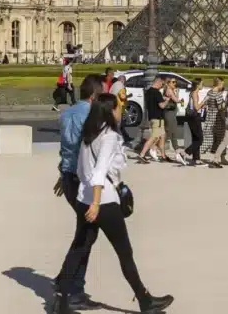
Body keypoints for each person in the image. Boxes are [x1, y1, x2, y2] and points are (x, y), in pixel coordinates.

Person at [54, 93, 174, 314]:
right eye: (120, 107)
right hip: (104, 202)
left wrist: (88, 197)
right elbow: (99, 172)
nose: (122, 110)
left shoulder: (88, 134)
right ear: (110, 111)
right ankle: (145, 301)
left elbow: (82, 170)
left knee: (79, 248)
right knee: (124, 253)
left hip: (84, 198)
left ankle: (60, 302)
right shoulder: (108, 136)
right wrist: (97, 202)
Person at [53, 74, 104, 309]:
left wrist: (63, 175)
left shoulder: (66, 114)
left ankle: (64, 280)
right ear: (94, 95)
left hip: (69, 176)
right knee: (87, 232)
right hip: (82, 179)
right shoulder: (92, 116)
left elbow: (67, 149)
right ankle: (73, 290)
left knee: (85, 230)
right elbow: (90, 152)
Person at [137, 77, 169, 164]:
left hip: (152, 117)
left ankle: (163, 155)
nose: (162, 86)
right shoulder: (157, 93)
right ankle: (142, 154)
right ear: (158, 83)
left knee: (162, 135)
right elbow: (162, 105)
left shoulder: (148, 92)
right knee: (154, 137)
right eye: (161, 84)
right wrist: (167, 100)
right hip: (157, 118)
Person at [161, 77, 186, 164]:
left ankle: (175, 151)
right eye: (173, 82)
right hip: (169, 113)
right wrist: (178, 95)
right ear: (168, 83)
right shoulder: (169, 90)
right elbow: (176, 100)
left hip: (171, 113)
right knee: (171, 132)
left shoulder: (169, 90)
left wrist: (177, 94)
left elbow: (176, 100)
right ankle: (177, 151)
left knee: (169, 132)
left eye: (175, 82)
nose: (175, 84)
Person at [184, 77, 205, 164]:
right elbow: (196, 107)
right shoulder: (195, 94)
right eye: (201, 84)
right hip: (194, 117)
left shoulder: (193, 93)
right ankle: (184, 153)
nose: (202, 85)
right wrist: (204, 101)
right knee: (200, 139)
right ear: (197, 85)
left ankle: (196, 159)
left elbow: (194, 106)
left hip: (192, 116)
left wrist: (202, 106)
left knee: (195, 138)